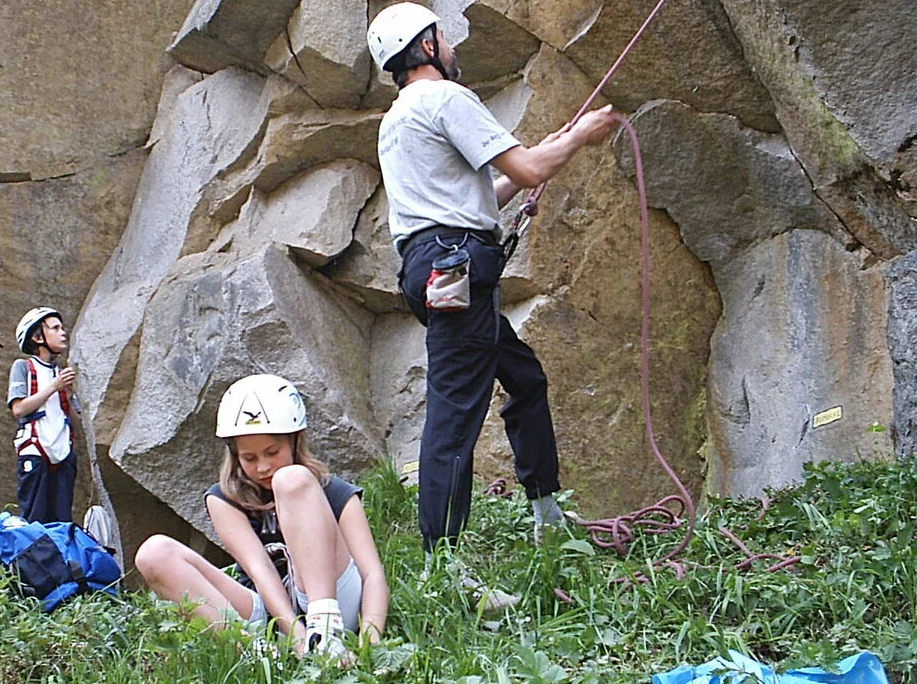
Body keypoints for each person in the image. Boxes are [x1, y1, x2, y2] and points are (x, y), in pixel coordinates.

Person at [367, 4, 620, 554]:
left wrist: (553, 149)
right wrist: (581, 138)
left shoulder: (397, 118)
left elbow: (475, 197)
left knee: (524, 378)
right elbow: (527, 169)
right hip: (455, 268)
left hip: (433, 266)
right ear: (427, 46)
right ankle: (445, 563)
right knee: (455, 415)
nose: (451, 47)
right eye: (443, 38)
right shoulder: (446, 98)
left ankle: (547, 516)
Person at [134, 374, 389, 661]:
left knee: (290, 480)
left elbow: (372, 573)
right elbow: (260, 570)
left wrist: (372, 638)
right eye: (249, 458)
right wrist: (296, 638)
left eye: (272, 452)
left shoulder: (333, 490)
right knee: (153, 553)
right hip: (270, 611)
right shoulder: (223, 499)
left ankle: (326, 634)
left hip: (334, 602)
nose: (264, 467)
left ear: (295, 441)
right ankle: (259, 654)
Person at [8, 306, 83, 523]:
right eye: (55, 328)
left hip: (63, 453)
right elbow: (19, 409)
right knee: (35, 519)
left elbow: (78, 426)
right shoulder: (24, 367)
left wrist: (68, 398)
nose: (63, 333)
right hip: (35, 451)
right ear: (37, 336)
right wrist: (53, 387)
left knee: (62, 521)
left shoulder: (62, 374)